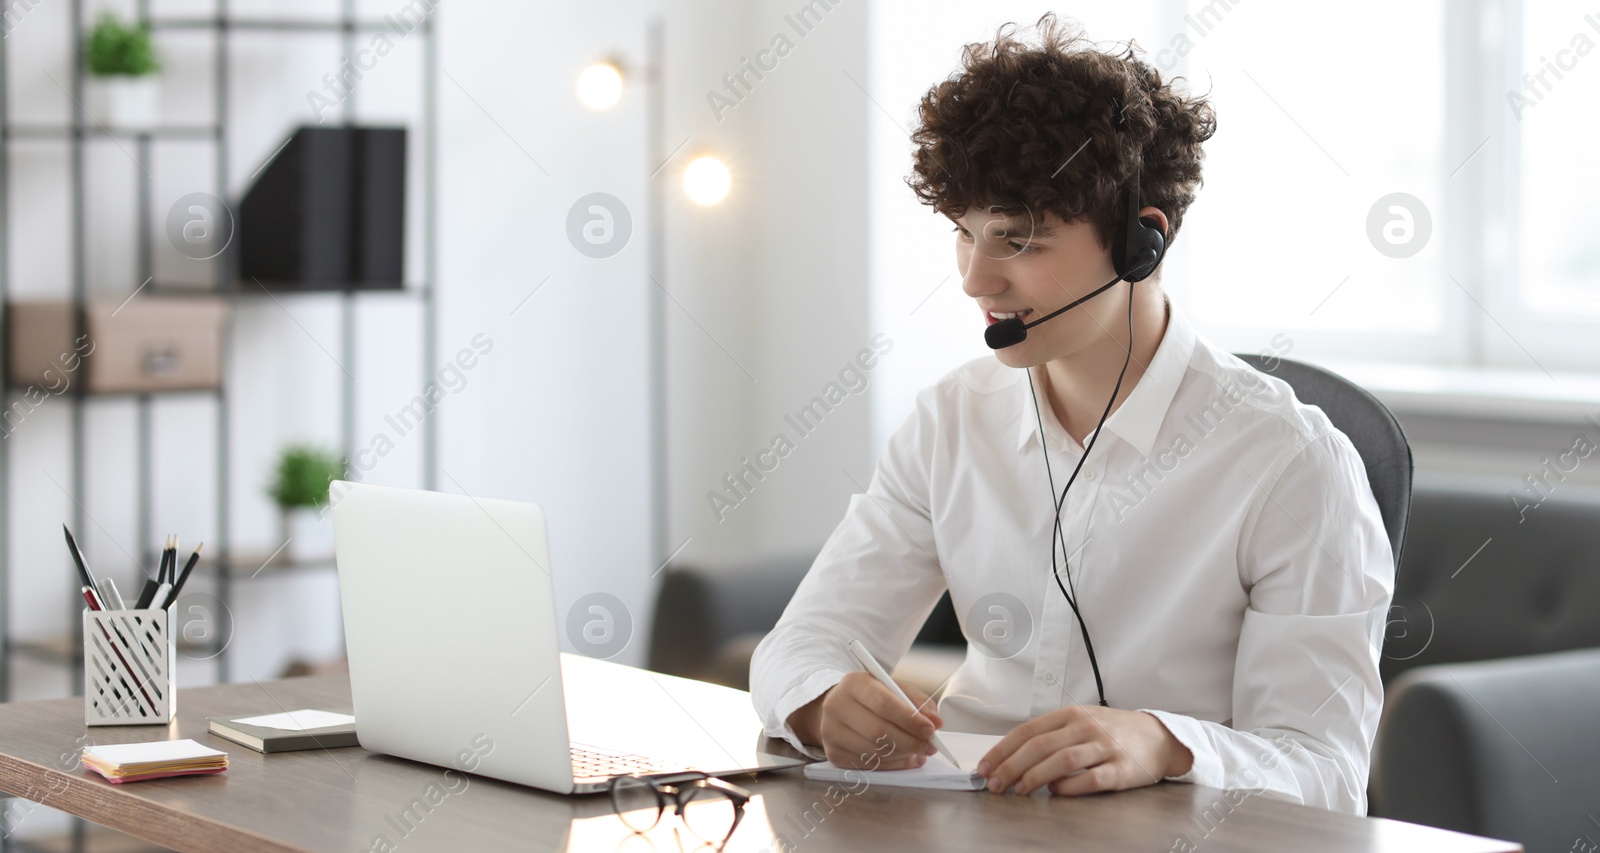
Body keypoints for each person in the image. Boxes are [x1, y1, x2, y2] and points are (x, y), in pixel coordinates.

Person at [748, 14, 1394, 815]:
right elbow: (798, 646)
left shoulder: (1289, 463)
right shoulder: (951, 419)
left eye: (1019, 241)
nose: (977, 280)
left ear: (1140, 244)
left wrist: (1163, 742)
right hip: (963, 823)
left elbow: (1327, 770)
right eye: (964, 234)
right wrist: (819, 700)